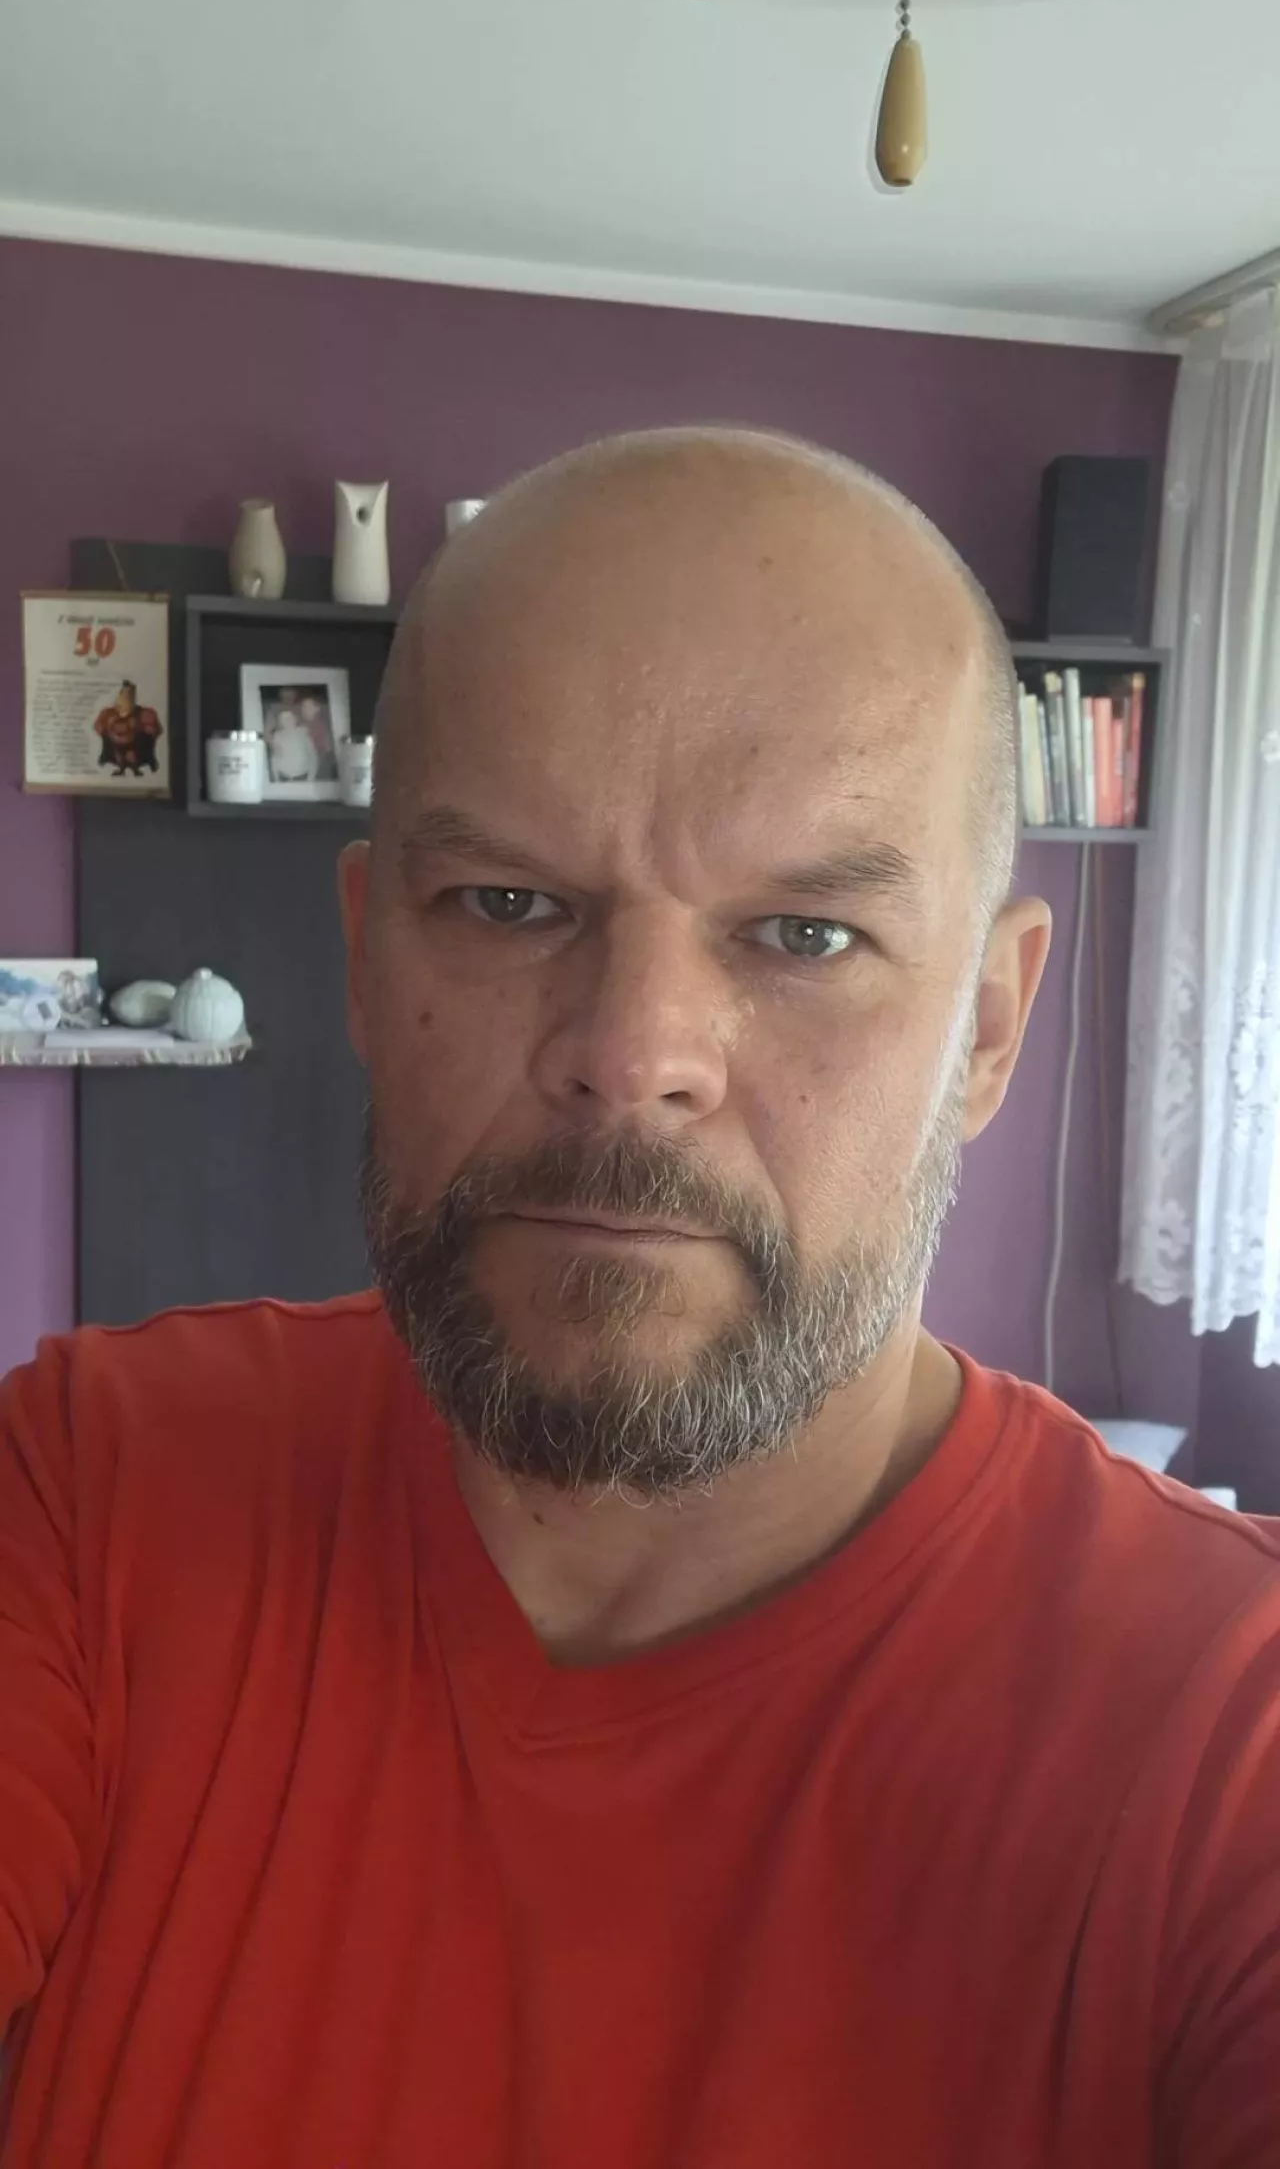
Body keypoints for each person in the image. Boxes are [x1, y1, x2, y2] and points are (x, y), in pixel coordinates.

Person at [1, 429, 1277, 2169]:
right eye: (508, 902)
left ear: (987, 1027)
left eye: (806, 935)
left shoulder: (1231, 1733)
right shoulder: (91, 1494)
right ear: (366, 955)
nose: (632, 1054)